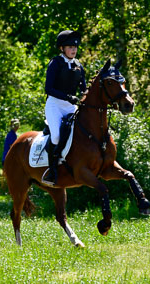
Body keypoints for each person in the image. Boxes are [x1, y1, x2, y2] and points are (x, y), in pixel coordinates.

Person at [42, 29, 87, 185]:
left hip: (70, 107)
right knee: (56, 136)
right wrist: (69, 97)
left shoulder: (79, 66)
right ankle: (52, 170)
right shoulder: (55, 63)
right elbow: (48, 89)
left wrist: (87, 95)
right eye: (70, 47)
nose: (74, 50)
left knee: (81, 134)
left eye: (75, 47)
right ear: (62, 48)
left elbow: (83, 89)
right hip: (54, 105)